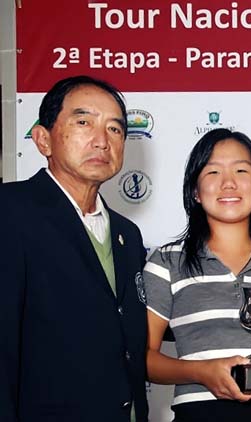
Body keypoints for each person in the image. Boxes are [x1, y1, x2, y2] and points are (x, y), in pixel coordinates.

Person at [0, 75, 148, 421]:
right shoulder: (10, 212)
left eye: (114, 129)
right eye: (83, 122)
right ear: (42, 139)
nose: (101, 141)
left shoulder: (128, 235)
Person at [143, 128, 251, 421]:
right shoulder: (166, 262)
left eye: (241, 170)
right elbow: (145, 359)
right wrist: (202, 372)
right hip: (199, 413)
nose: (229, 183)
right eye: (213, 172)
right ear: (194, 191)